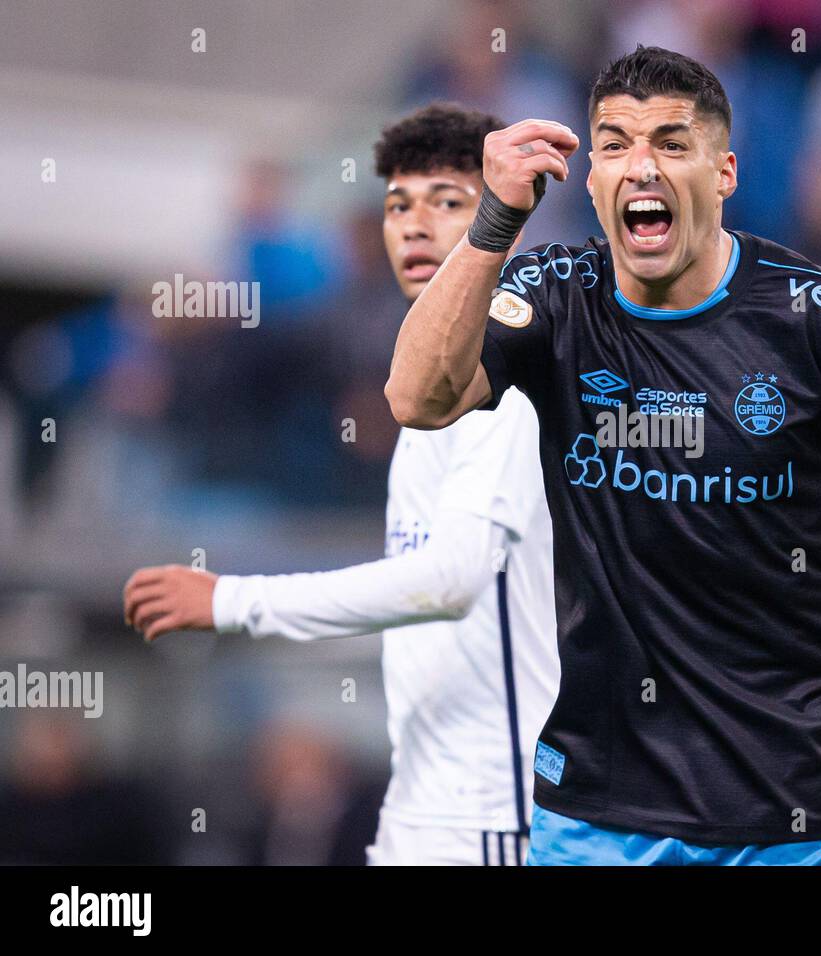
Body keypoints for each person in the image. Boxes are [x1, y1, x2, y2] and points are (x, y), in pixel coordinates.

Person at [386, 46, 821, 867]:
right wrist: (495, 223)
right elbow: (418, 398)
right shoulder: (553, 296)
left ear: (725, 173)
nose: (641, 166)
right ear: (592, 177)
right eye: (614, 145)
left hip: (788, 803)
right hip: (595, 804)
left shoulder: (820, 318)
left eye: (672, 143)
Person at [122, 103, 559, 866]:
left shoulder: (506, 388)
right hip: (426, 807)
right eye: (398, 206)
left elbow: (448, 581)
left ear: (503, 224)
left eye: (448, 203)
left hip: (496, 814)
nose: (416, 227)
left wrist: (233, 600)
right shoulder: (424, 390)